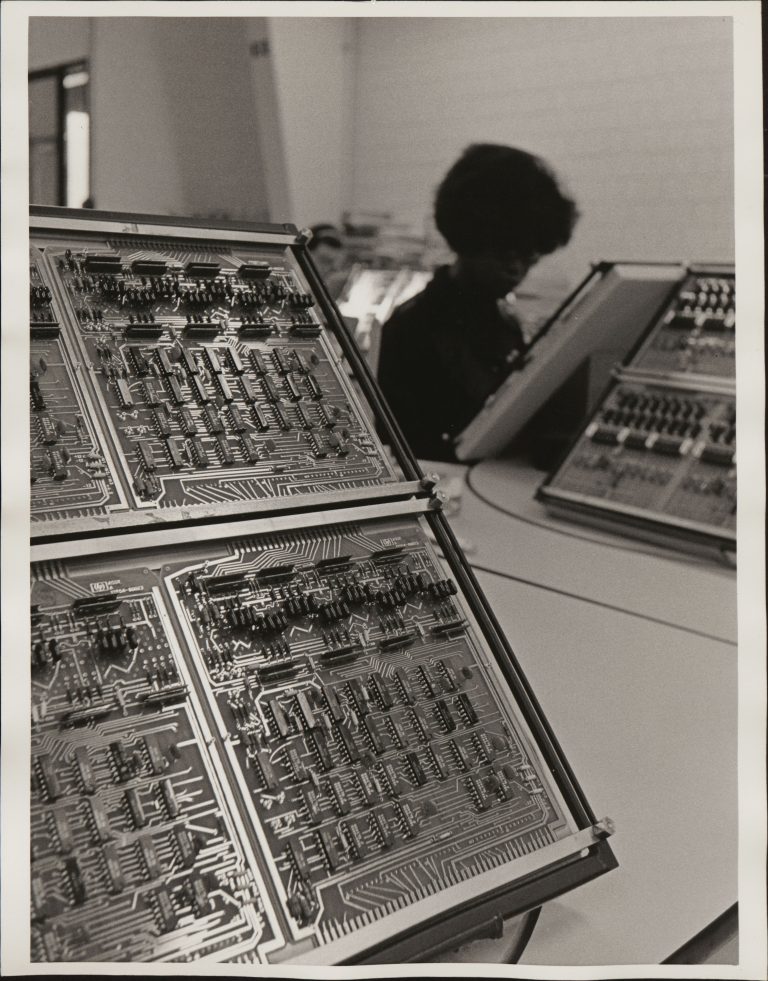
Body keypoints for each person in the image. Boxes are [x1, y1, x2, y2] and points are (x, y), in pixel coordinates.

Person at [377, 144, 578, 462]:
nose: (516, 269)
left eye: (530, 256)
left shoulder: (504, 320)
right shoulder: (415, 327)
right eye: (505, 253)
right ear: (469, 238)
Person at [307, 223, 348, 299]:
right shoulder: (297, 271)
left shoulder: (336, 274)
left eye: (338, 245)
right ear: (314, 244)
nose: (336, 249)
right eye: (331, 243)